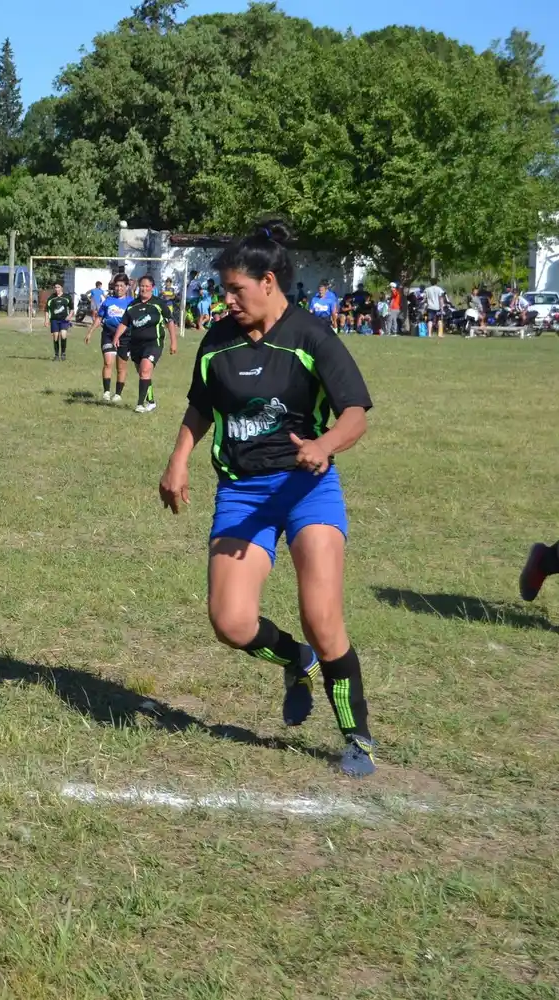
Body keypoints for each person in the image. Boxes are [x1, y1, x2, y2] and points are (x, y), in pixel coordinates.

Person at [157, 221, 378, 778]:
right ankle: (294, 660)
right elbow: (201, 406)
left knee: (321, 616)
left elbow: (355, 413)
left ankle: (357, 736)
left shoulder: (312, 337)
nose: (225, 299)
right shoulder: (218, 341)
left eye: (235, 289)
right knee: (231, 622)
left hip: (307, 490)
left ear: (269, 281)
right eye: (224, 290)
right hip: (241, 491)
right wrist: (178, 459)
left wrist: (325, 445)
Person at [111, 275, 178, 412]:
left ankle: (140, 405)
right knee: (143, 373)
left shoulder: (159, 304)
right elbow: (124, 323)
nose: (144, 289)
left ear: (152, 288)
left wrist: (173, 342)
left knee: (146, 369)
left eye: (147, 286)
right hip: (135, 344)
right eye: (142, 286)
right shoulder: (132, 305)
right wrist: (116, 337)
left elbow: (170, 322)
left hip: (154, 343)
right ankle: (151, 401)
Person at [85, 274, 132, 402]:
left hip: (125, 337)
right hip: (108, 334)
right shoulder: (108, 301)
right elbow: (99, 318)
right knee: (107, 362)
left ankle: (118, 394)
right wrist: (90, 332)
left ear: (127, 287)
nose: (119, 288)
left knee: (121, 367)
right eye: (117, 285)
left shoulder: (131, 303)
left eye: (122, 285)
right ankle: (106, 392)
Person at [46, 281, 73, 360]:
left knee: (63, 334)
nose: (57, 289)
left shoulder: (67, 297)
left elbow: (72, 309)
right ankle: (56, 355)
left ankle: (63, 353)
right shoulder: (51, 298)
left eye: (58, 287)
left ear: (62, 288)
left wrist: (70, 315)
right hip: (54, 320)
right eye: (55, 287)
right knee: (55, 336)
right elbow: (47, 310)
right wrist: (46, 320)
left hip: (64, 320)